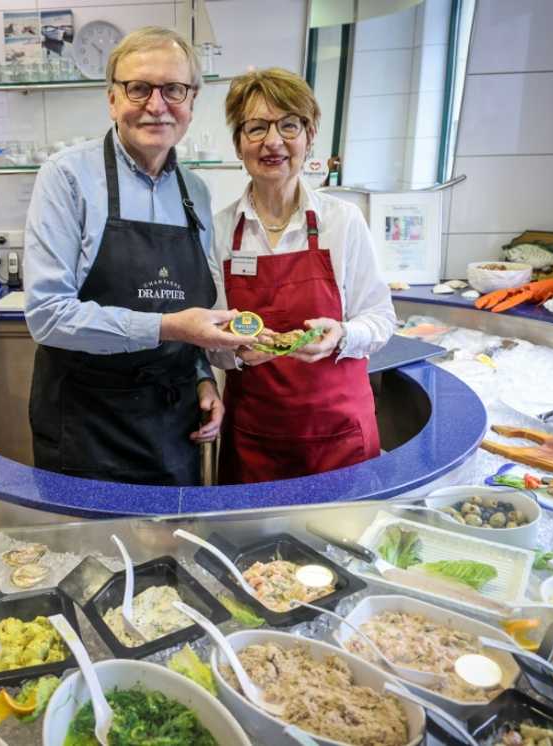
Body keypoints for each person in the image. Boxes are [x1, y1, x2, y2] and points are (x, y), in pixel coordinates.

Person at [24, 27, 248, 485]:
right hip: (87, 427)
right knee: (89, 557)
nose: (156, 104)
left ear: (191, 102)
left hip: (172, 429)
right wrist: (168, 326)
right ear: (112, 99)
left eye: (174, 89)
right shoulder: (66, 178)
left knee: (171, 550)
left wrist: (203, 375)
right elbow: (46, 316)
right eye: (138, 88)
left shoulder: (196, 193)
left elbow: (196, 313)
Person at [212, 68, 396, 484]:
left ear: (309, 135)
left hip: (339, 434)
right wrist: (236, 351)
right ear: (239, 144)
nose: (273, 141)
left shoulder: (343, 221)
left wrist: (342, 335)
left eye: (288, 125)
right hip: (253, 439)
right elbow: (209, 340)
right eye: (256, 127)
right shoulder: (220, 230)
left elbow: (382, 319)